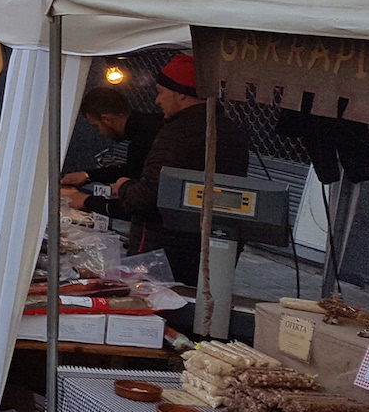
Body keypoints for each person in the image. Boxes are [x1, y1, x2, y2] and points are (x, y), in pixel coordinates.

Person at [66, 54, 248, 284]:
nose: (157, 101)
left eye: (161, 92)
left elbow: (147, 196)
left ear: (181, 93)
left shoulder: (178, 132)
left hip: (165, 251)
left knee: (153, 300)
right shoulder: (230, 130)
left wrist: (124, 187)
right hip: (209, 249)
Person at [62, 86, 165, 194]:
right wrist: (87, 175)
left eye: (97, 126)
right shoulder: (153, 123)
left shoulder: (141, 142)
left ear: (107, 119)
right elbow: (129, 170)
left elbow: (139, 188)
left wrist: (86, 200)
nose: (100, 132)